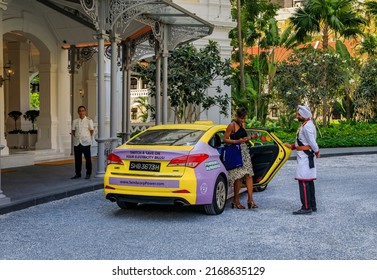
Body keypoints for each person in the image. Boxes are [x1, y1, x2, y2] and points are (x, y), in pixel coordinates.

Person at [284, 105, 320, 215]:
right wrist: (292, 146)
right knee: (308, 180)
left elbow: (312, 142)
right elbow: (302, 141)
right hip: (304, 155)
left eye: (299, 115)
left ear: (304, 116)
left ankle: (306, 207)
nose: (297, 116)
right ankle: (312, 206)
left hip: (305, 156)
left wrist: (317, 151)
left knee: (303, 181)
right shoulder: (305, 125)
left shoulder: (307, 127)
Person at [223, 107, 257, 209]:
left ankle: (250, 200)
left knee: (248, 175)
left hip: (245, 152)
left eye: (244, 118)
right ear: (236, 116)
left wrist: (250, 138)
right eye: (241, 118)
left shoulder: (242, 124)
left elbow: (244, 138)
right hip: (236, 152)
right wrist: (235, 141)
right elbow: (224, 139)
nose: (242, 120)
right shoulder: (231, 125)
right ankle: (235, 200)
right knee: (238, 177)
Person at [71, 105, 94, 179]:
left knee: (88, 159)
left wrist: (86, 137)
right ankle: (78, 173)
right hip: (77, 143)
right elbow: (73, 131)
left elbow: (91, 131)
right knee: (77, 159)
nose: (81, 112)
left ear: (85, 111)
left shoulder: (89, 120)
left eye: (83, 110)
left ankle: (88, 173)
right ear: (78, 112)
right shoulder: (75, 121)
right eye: (80, 111)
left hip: (86, 143)